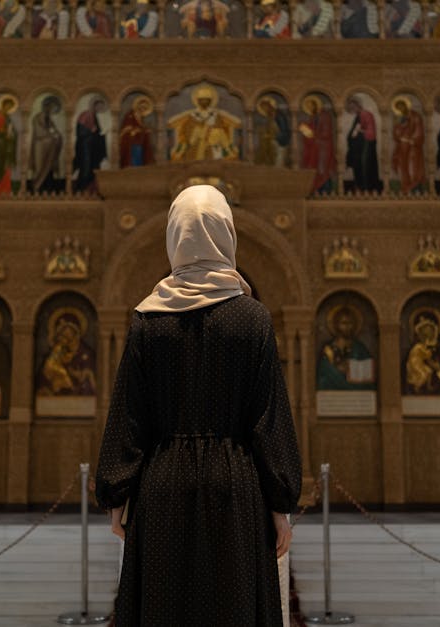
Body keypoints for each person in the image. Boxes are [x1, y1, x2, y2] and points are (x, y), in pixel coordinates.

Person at [95, 185, 303, 627]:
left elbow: (129, 417)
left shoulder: (147, 321)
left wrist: (116, 496)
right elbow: (269, 419)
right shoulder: (253, 319)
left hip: (162, 488)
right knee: (233, 606)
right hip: (236, 487)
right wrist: (280, 504)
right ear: (226, 234)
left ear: (176, 236)